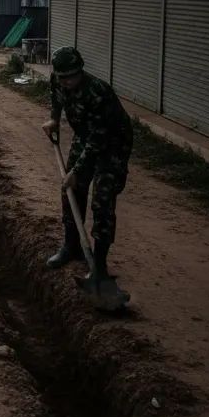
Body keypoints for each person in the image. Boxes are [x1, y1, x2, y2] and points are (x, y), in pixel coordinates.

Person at [41, 46, 133, 280]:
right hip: (85, 136)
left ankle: (99, 266)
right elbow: (56, 97)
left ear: (80, 71)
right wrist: (53, 119)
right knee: (71, 190)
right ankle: (72, 247)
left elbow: (98, 140)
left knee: (102, 200)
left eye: (72, 76)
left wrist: (77, 170)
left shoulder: (98, 92)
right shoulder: (58, 81)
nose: (67, 82)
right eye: (63, 77)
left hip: (112, 142)